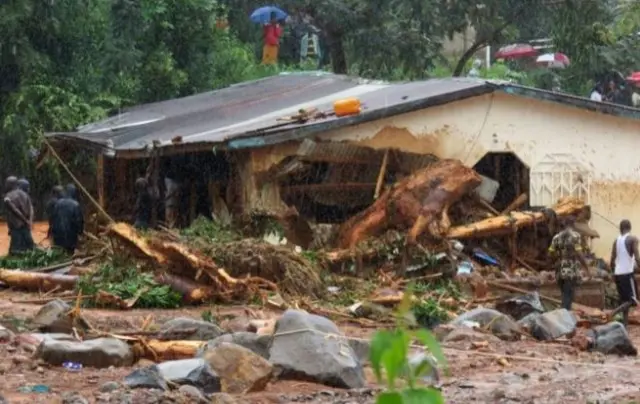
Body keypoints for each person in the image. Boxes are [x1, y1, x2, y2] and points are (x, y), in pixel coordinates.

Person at [548, 216, 589, 310]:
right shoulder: (575, 236)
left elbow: (550, 253)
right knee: (568, 296)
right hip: (570, 271)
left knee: (564, 294)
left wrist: (559, 257)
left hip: (559, 271)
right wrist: (587, 268)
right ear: (572, 225)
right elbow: (579, 254)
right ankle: (565, 316)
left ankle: (565, 315)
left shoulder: (556, 237)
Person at [609, 219, 640, 327]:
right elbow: (637, 257)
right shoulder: (633, 239)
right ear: (630, 227)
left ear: (620, 228)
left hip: (618, 274)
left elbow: (612, 260)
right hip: (627, 273)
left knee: (624, 300)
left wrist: (613, 273)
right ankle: (613, 313)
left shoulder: (616, 241)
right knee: (633, 301)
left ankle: (625, 324)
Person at [3, 176, 35, 255]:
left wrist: (25, 220)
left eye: (7, 183)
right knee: (30, 247)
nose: (5, 185)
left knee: (16, 250)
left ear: (11, 184)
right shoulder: (25, 194)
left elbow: (15, 210)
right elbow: (31, 209)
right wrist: (29, 221)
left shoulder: (8, 197)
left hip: (16, 226)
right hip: (26, 226)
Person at [50, 188, 84, 254]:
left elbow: (52, 218)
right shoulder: (75, 204)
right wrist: (80, 232)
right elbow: (79, 221)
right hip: (71, 234)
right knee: (69, 252)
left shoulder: (57, 203)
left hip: (58, 233)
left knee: (58, 253)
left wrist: (52, 230)